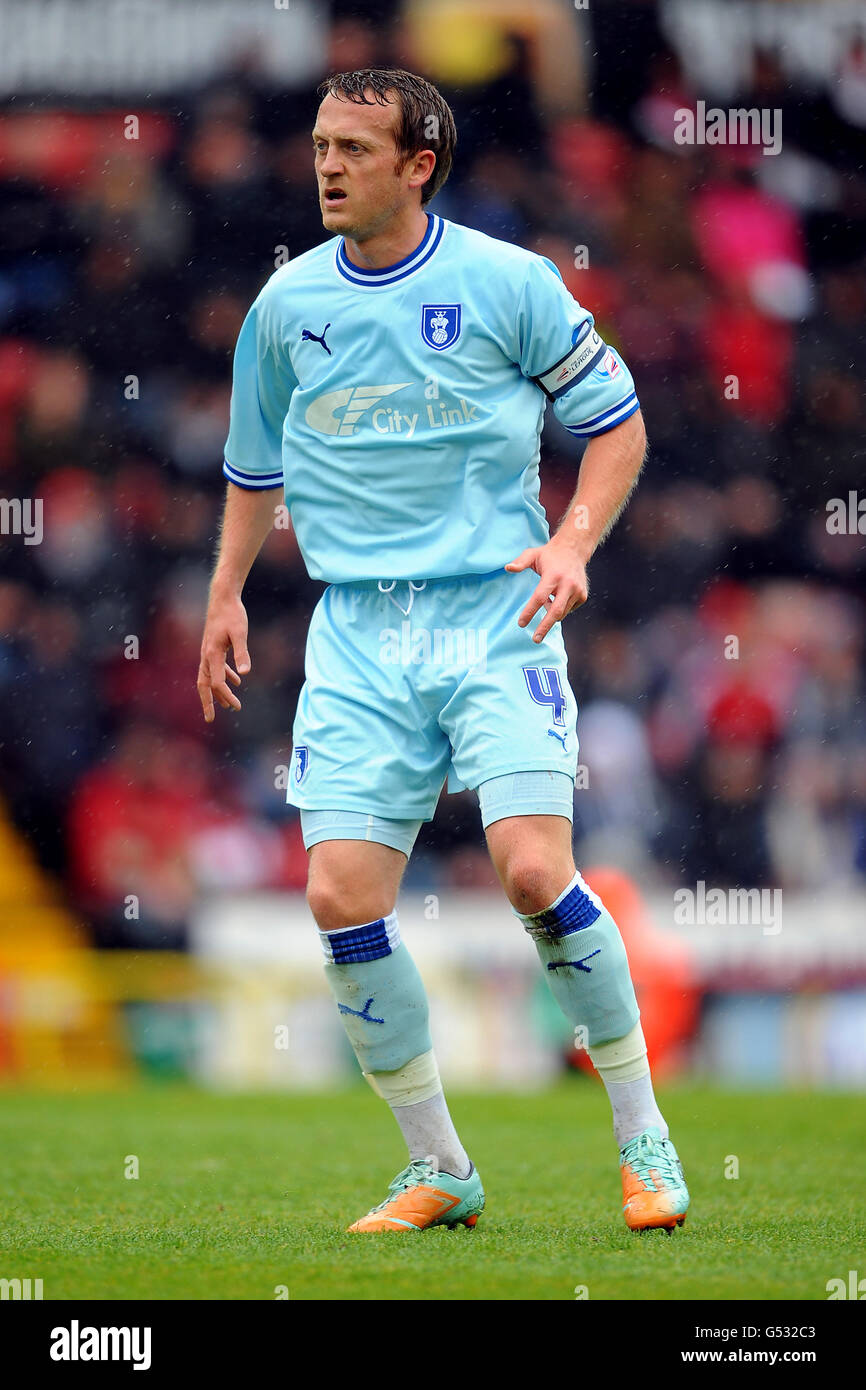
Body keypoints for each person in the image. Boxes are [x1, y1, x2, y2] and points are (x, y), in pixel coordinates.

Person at [197, 67, 689, 1235]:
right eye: (320, 144)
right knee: (337, 894)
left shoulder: (508, 283)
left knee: (530, 870)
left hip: (492, 613)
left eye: (354, 149)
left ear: (418, 166)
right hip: (358, 632)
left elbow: (615, 426)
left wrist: (570, 543)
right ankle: (439, 1166)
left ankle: (644, 1138)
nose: (327, 166)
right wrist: (223, 592)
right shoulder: (285, 307)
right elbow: (251, 472)